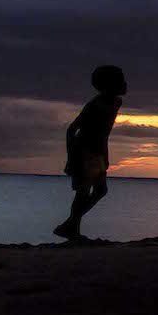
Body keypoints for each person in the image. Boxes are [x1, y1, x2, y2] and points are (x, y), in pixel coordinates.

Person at [53, 65, 127, 241]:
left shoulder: (116, 102)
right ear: (109, 84)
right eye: (121, 80)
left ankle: (70, 224)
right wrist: (71, 159)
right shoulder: (95, 104)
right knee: (83, 191)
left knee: (100, 190)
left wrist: (105, 156)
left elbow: (104, 133)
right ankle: (72, 229)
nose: (125, 84)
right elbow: (72, 130)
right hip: (83, 151)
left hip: (97, 152)